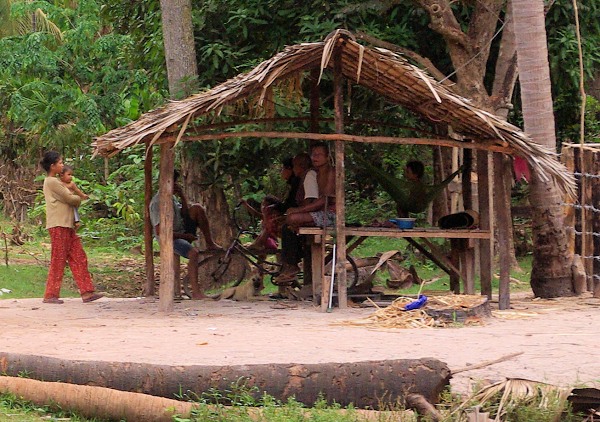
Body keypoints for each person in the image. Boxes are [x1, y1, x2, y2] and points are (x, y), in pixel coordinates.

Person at [40, 151, 103, 304]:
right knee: (58, 259)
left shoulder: (56, 182)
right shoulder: (52, 182)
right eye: (60, 163)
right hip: (59, 224)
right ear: (52, 166)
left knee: (79, 256)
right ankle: (50, 294)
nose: (62, 165)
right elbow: (70, 198)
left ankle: (87, 292)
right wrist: (78, 198)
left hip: (66, 225)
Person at [149, 169, 221, 299]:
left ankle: (210, 243)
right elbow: (161, 231)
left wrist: (182, 195)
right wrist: (185, 237)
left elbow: (185, 213)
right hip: (170, 237)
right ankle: (195, 291)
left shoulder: (172, 198)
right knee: (194, 253)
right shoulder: (157, 202)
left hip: (181, 230)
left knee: (197, 209)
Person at [275, 143, 335, 283]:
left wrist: (299, 210)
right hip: (318, 214)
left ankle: (292, 266)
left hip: (331, 215)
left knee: (292, 219)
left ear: (327, 157)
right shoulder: (316, 172)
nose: (315, 157)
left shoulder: (331, 172)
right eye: (313, 155)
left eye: (319, 155)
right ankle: (293, 264)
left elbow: (323, 201)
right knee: (290, 221)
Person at [59, 164, 89, 230]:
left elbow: (77, 190)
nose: (71, 177)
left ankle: (76, 221)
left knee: (74, 210)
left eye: (71, 175)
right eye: (69, 175)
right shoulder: (59, 183)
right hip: (63, 203)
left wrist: (83, 195)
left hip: (71, 201)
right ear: (61, 176)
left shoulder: (71, 184)